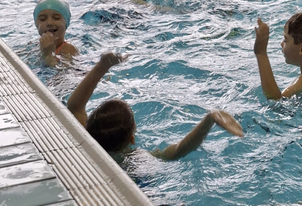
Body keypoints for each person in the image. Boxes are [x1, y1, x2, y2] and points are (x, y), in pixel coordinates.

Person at [66, 52, 244, 158]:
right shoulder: (135, 160)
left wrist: (101, 67)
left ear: (90, 125)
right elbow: (177, 151)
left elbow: (75, 106)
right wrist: (210, 118)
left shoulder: (84, 141)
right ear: (132, 140)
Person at [33, 0, 78, 66]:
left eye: (56, 18)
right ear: (36, 24)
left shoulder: (68, 49)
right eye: (42, 19)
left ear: (66, 22)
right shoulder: (35, 45)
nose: (49, 23)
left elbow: (64, 72)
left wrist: (48, 55)